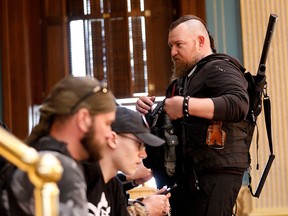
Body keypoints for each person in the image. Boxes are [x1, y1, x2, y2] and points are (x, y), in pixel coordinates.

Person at [136, 15, 250, 216]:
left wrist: (186, 106)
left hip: (213, 176)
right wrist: (149, 114)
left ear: (200, 41)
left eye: (179, 44)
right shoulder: (185, 80)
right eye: (171, 45)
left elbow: (239, 103)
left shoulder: (219, 67)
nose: (172, 52)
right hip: (188, 179)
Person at [1, 76, 116, 215]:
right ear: (83, 119)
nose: (110, 134)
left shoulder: (41, 156)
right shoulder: (57, 169)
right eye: (107, 124)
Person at [84, 106, 171, 216]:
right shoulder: (80, 179)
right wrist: (144, 210)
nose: (144, 154)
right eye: (139, 144)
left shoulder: (114, 186)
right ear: (112, 139)